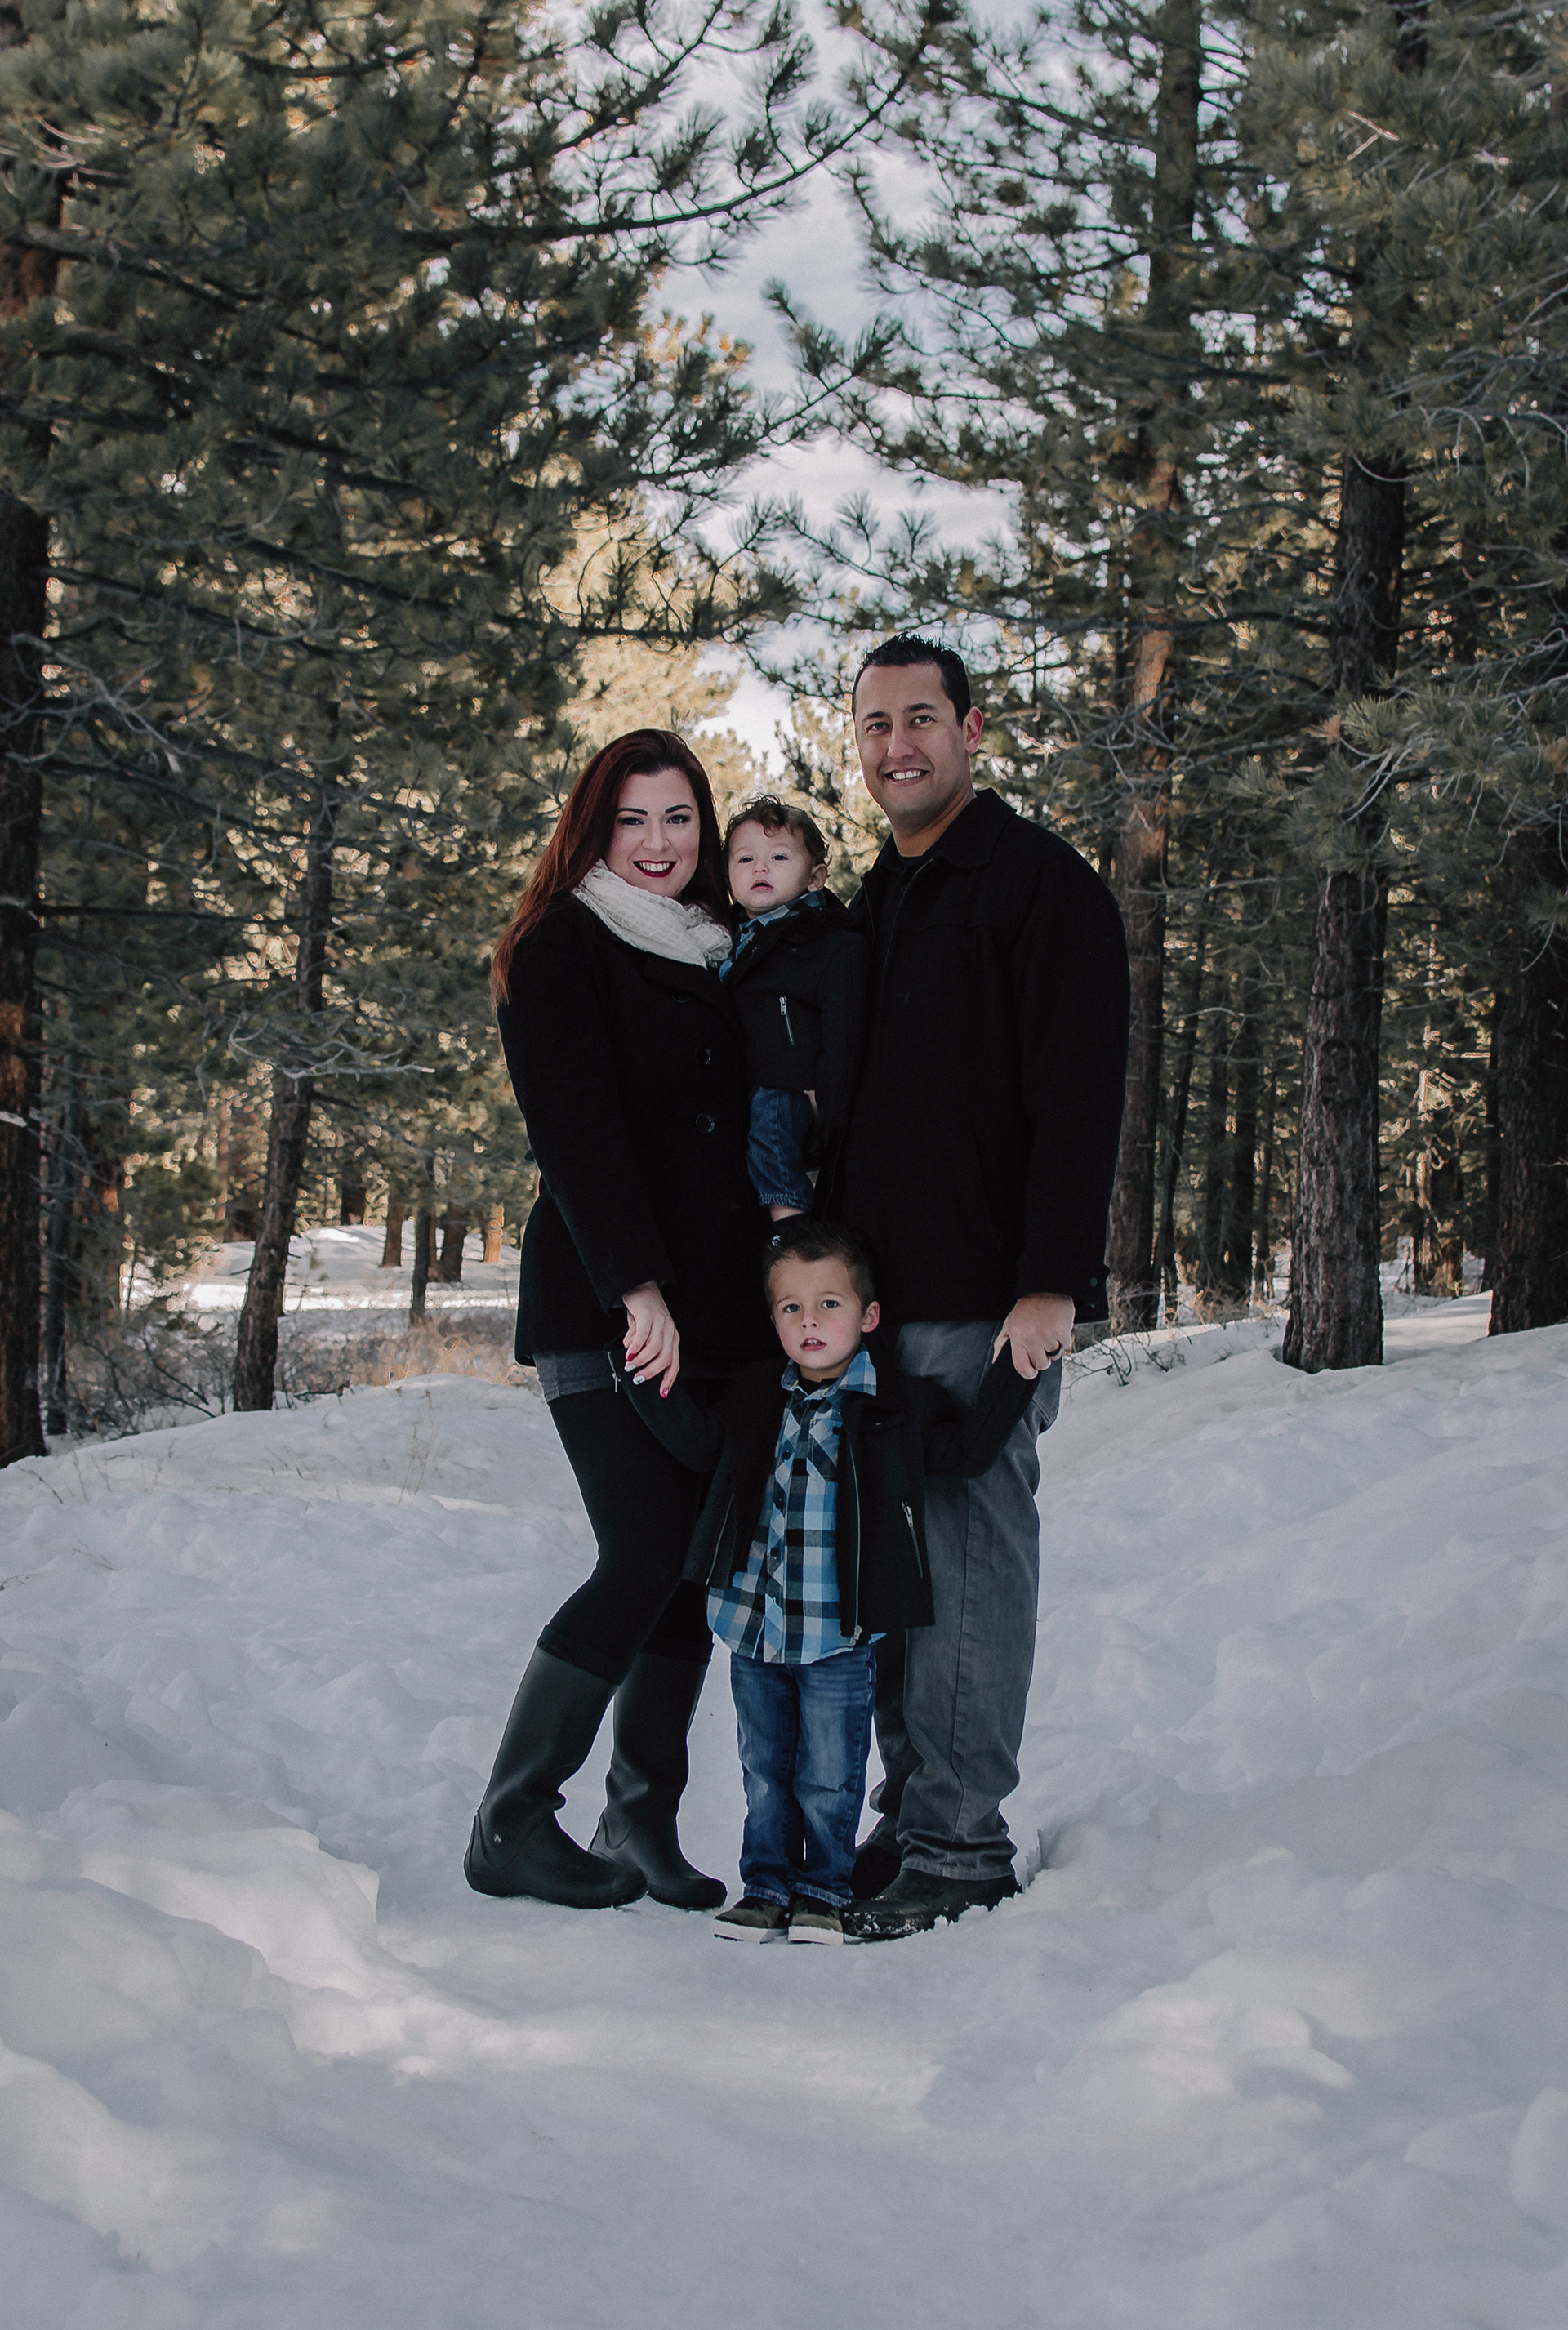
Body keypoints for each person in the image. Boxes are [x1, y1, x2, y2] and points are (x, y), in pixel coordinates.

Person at [821, 633, 1131, 1943]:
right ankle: (914, 1815)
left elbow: (1080, 1095)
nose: (898, 746)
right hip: (879, 1310)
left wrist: (1050, 1284)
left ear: (972, 728)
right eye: (875, 725)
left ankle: (961, 1843)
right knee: (899, 1582)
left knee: (967, 1572)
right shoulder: (876, 901)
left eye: (920, 719)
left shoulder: (1038, 886)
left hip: (986, 1308)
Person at [466, 729, 773, 1913]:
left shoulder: (722, 947)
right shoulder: (561, 945)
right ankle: (511, 1820)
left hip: (724, 1314)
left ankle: (639, 1818)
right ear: (594, 829)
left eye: (679, 817)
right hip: (609, 1307)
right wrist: (638, 1289)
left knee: (688, 1572)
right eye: (632, 819)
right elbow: (577, 1134)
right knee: (641, 1553)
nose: (657, 842)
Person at [620, 1218, 1034, 1944]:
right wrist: (640, 1369)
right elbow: (700, 1443)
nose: (809, 1321)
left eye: (829, 1304)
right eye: (791, 1307)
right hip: (753, 1625)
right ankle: (764, 1886)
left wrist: (1019, 1369)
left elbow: (965, 1455)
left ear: (868, 1317)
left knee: (829, 1775)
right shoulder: (756, 1396)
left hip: (839, 1634)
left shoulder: (894, 1407)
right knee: (763, 1769)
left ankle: (822, 1889)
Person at [720, 798, 870, 1220]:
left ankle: (790, 1228)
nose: (760, 868)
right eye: (745, 859)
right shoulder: (726, 938)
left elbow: (845, 1031)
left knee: (772, 1135)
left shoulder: (828, 942)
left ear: (815, 878)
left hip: (792, 1084)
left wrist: (828, 1102)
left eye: (779, 857)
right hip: (745, 1083)